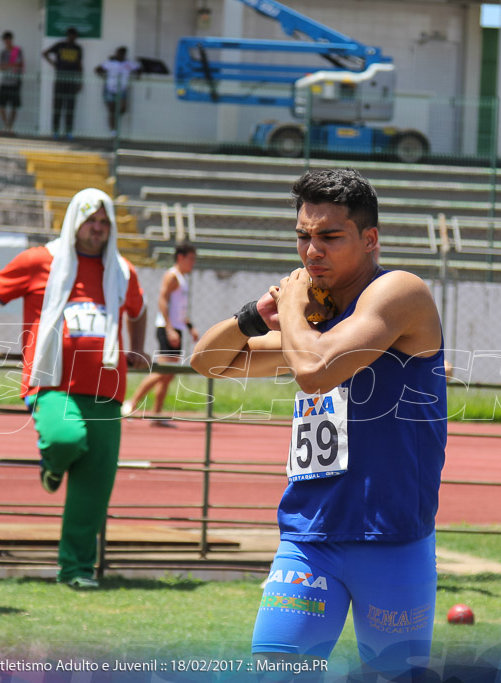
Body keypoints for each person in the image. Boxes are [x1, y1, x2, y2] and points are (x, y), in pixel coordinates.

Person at [190, 169, 446, 679]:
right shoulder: (311, 322)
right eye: (304, 237)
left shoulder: (400, 291)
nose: (312, 252)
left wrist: (290, 305)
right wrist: (253, 317)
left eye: (330, 236)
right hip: (309, 539)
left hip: (391, 540)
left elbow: (315, 371)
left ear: (370, 239)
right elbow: (207, 361)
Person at [0, 188, 148, 589]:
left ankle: (76, 569)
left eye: (104, 222)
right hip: (51, 383)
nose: (97, 229)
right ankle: (52, 465)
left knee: (94, 486)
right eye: (90, 221)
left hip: (106, 388)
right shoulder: (39, 261)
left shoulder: (121, 270)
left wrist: (136, 348)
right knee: (64, 439)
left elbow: (139, 309)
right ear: (73, 221)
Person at [122, 242, 198, 424]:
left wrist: (190, 327)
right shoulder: (171, 276)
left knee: (169, 374)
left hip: (176, 329)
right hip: (167, 329)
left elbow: (179, 309)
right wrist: (170, 329)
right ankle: (131, 403)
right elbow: (162, 301)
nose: (193, 263)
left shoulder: (182, 278)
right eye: (191, 259)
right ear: (180, 257)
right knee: (162, 371)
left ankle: (156, 415)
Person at [43, 27, 83, 140]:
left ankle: (68, 131)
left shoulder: (78, 48)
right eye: (70, 36)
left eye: (74, 36)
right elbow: (45, 53)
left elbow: (80, 65)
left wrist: (80, 81)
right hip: (60, 80)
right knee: (57, 106)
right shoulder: (60, 45)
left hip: (72, 80)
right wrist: (54, 64)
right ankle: (55, 131)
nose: (72, 38)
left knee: (70, 107)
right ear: (67, 36)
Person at [95, 46, 142, 136]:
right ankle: (113, 131)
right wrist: (104, 77)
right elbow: (98, 69)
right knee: (111, 110)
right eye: (118, 53)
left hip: (122, 89)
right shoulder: (110, 63)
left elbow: (139, 68)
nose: (119, 55)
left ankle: (116, 119)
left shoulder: (128, 64)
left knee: (123, 108)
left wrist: (137, 76)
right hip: (110, 89)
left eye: (121, 54)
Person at [0, 31, 24, 134]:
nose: (6, 41)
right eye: (5, 39)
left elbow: (19, 64)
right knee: (0, 105)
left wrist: (7, 65)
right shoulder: (3, 53)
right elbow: (0, 67)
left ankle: (10, 127)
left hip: (15, 82)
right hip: (4, 82)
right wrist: (11, 65)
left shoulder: (17, 51)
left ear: (11, 39)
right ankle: (6, 125)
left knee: (14, 106)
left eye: (8, 39)